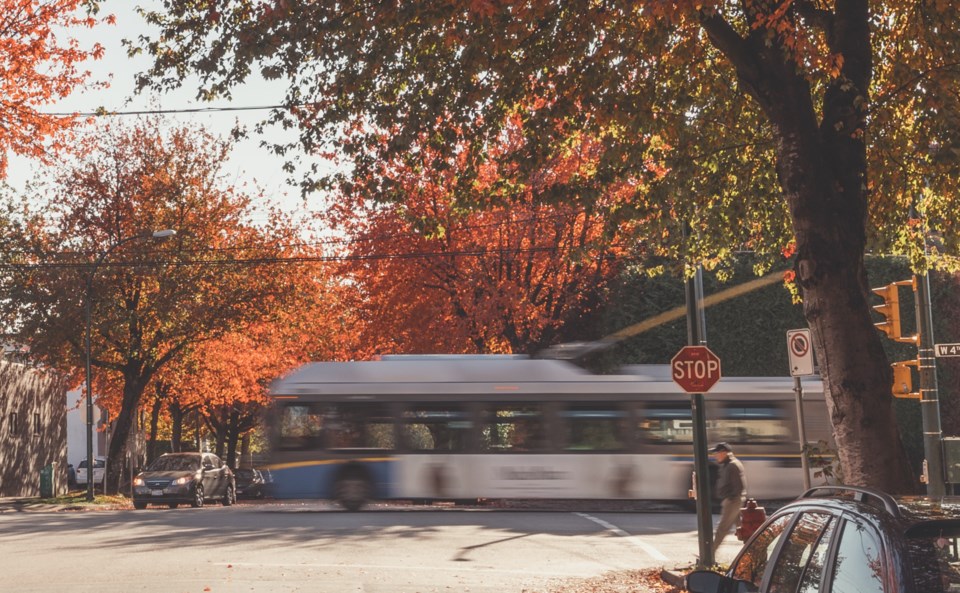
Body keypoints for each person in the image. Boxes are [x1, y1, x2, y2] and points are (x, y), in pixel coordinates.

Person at [711, 442, 747, 553]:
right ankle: (754, 552)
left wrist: (731, 499)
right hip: (732, 500)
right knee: (743, 530)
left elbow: (739, 486)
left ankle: (710, 554)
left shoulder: (732, 465)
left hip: (732, 501)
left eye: (717, 453)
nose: (715, 455)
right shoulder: (728, 464)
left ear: (724, 453)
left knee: (722, 528)